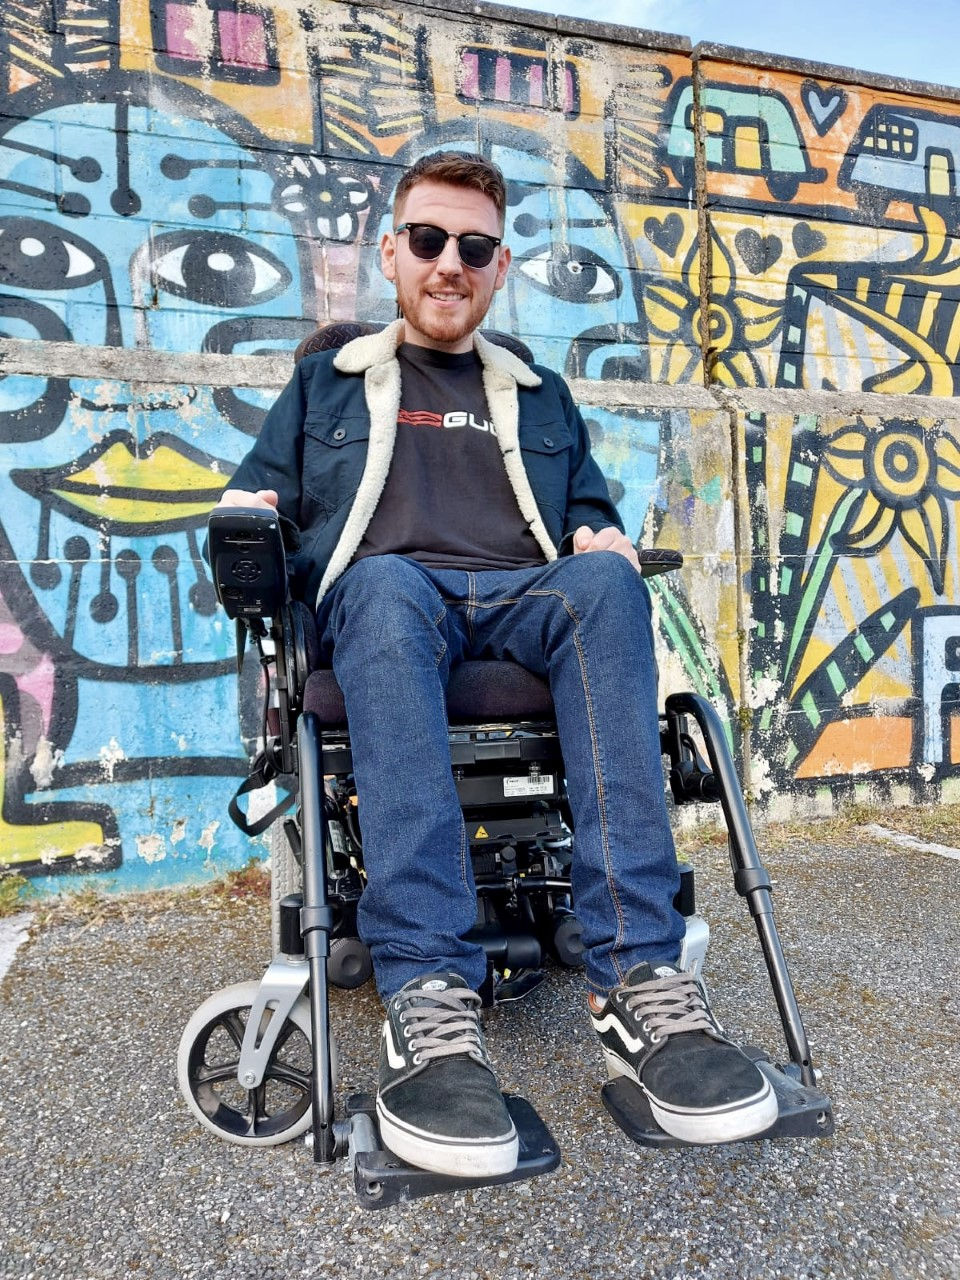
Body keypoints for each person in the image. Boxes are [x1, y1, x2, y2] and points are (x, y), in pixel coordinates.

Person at [212, 151, 778, 1178]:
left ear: (499, 266)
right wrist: (249, 517)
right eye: (429, 239)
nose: (450, 263)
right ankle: (428, 991)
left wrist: (601, 537)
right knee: (386, 587)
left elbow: (589, 514)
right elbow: (261, 498)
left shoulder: (539, 393)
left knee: (609, 586)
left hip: (524, 601)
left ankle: (638, 979)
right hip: (388, 601)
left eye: (474, 247)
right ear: (392, 251)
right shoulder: (325, 381)